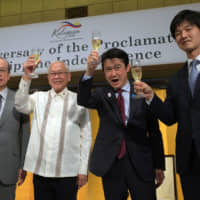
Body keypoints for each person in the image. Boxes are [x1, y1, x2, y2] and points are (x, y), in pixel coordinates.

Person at [77, 48, 165, 200]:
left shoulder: (142, 91)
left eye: (117, 67)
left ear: (128, 68)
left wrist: (159, 165)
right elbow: (82, 100)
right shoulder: (101, 94)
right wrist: (89, 71)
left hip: (141, 164)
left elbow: (154, 131)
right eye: (108, 69)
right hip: (112, 164)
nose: (113, 74)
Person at [134, 9, 200, 200]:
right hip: (189, 160)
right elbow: (170, 118)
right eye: (178, 33)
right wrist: (151, 97)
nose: (183, 35)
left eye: (188, 29)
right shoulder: (175, 79)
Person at [14, 57, 92, 200]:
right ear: (48, 78)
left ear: (69, 77)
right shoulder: (38, 98)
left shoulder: (79, 101)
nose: (57, 77)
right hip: (40, 173)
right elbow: (20, 105)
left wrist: (83, 170)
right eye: (53, 74)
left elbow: (86, 138)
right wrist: (26, 77)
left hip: (68, 173)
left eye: (60, 73)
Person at [0, 57, 30, 200]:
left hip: (9, 167)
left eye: (2, 70)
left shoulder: (19, 99)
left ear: (9, 74)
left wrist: (23, 164)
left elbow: (25, 135)